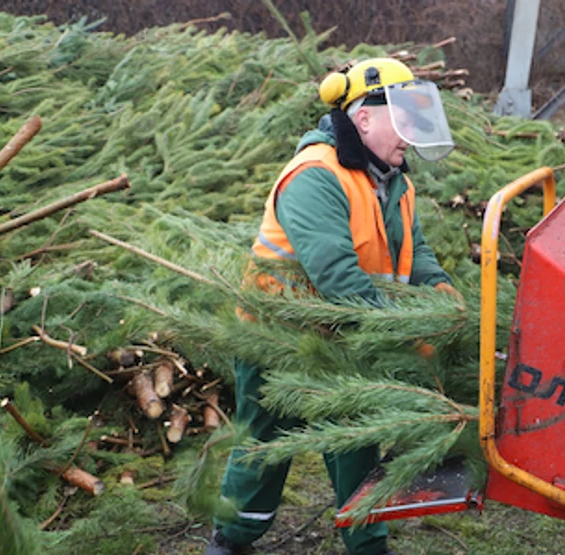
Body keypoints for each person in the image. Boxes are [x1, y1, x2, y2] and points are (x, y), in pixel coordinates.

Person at [207, 58, 462, 555]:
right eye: (401, 118)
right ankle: (231, 538)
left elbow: (417, 252)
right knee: (265, 443)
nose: (409, 135)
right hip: (279, 338)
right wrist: (411, 331)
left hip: (350, 334)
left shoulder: (394, 182)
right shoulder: (315, 177)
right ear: (363, 118)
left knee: (356, 443)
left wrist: (441, 294)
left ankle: (368, 543)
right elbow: (338, 278)